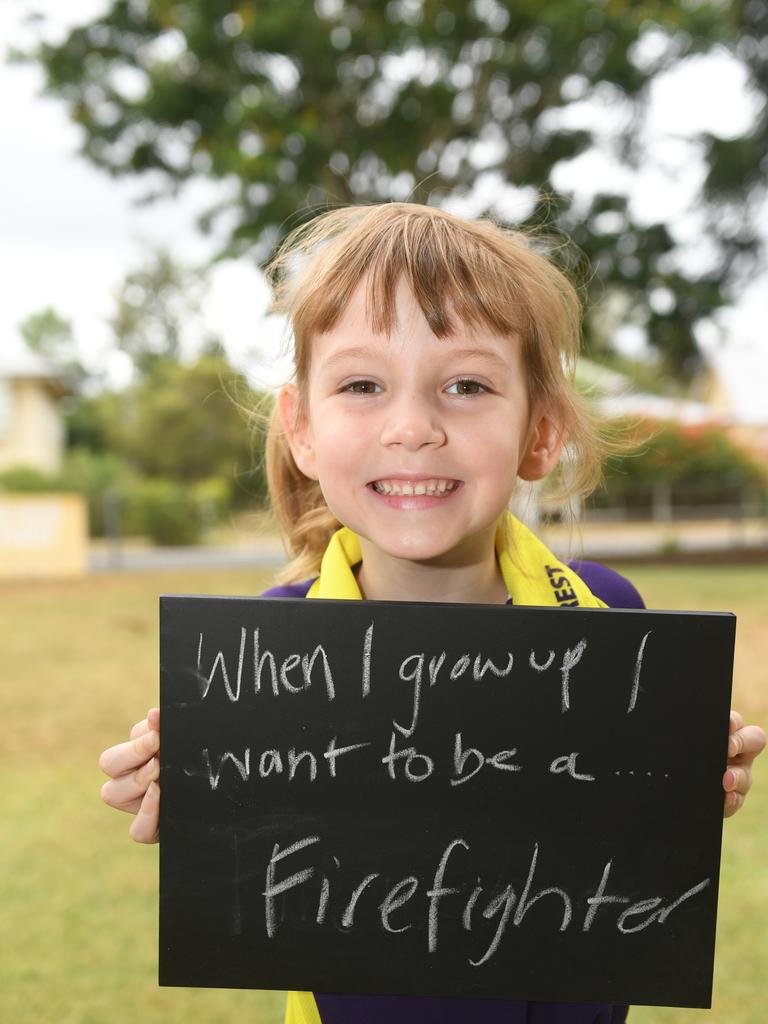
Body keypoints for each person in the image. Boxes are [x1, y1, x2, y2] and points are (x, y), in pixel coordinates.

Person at [99, 203, 766, 1024]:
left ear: (540, 432)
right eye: (363, 385)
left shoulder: (607, 617)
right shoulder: (261, 661)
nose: (413, 427)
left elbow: (625, 852)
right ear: (302, 428)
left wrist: (683, 776)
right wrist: (193, 790)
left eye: (467, 385)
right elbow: (256, 864)